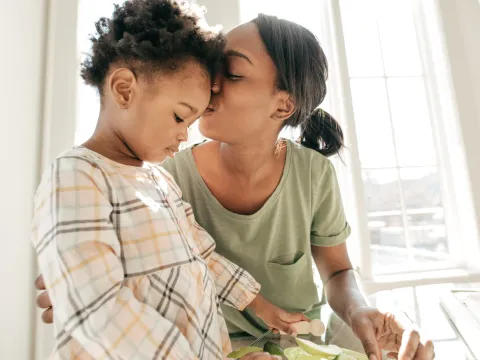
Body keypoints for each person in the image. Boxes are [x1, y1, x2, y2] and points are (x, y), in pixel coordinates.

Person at [35, 9, 435, 360]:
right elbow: (107, 291)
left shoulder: (312, 175)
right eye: (214, 67)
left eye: (232, 72)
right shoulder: (163, 172)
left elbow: (334, 271)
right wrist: (78, 282)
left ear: (282, 105)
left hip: (295, 340)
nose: (210, 83)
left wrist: (356, 309)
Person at [31, 1, 305, 359]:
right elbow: (98, 309)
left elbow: (202, 257)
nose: (184, 136)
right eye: (179, 117)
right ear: (125, 90)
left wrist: (258, 304)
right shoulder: (76, 176)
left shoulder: (161, 182)